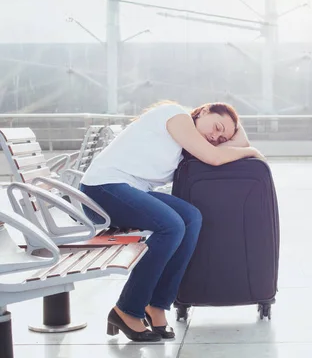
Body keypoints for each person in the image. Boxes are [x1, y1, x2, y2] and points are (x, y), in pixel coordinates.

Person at [79, 100, 263, 342]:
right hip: (102, 189)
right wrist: (252, 152)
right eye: (217, 127)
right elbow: (216, 157)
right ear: (204, 111)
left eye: (222, 136)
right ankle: (127, 309)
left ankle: (156, 305)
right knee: (171, 225)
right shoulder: (175, 116)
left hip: (130, 190)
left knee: (191, 218)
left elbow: (232, 145)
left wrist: (235, 133)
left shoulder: (184, 143)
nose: (216, 136)